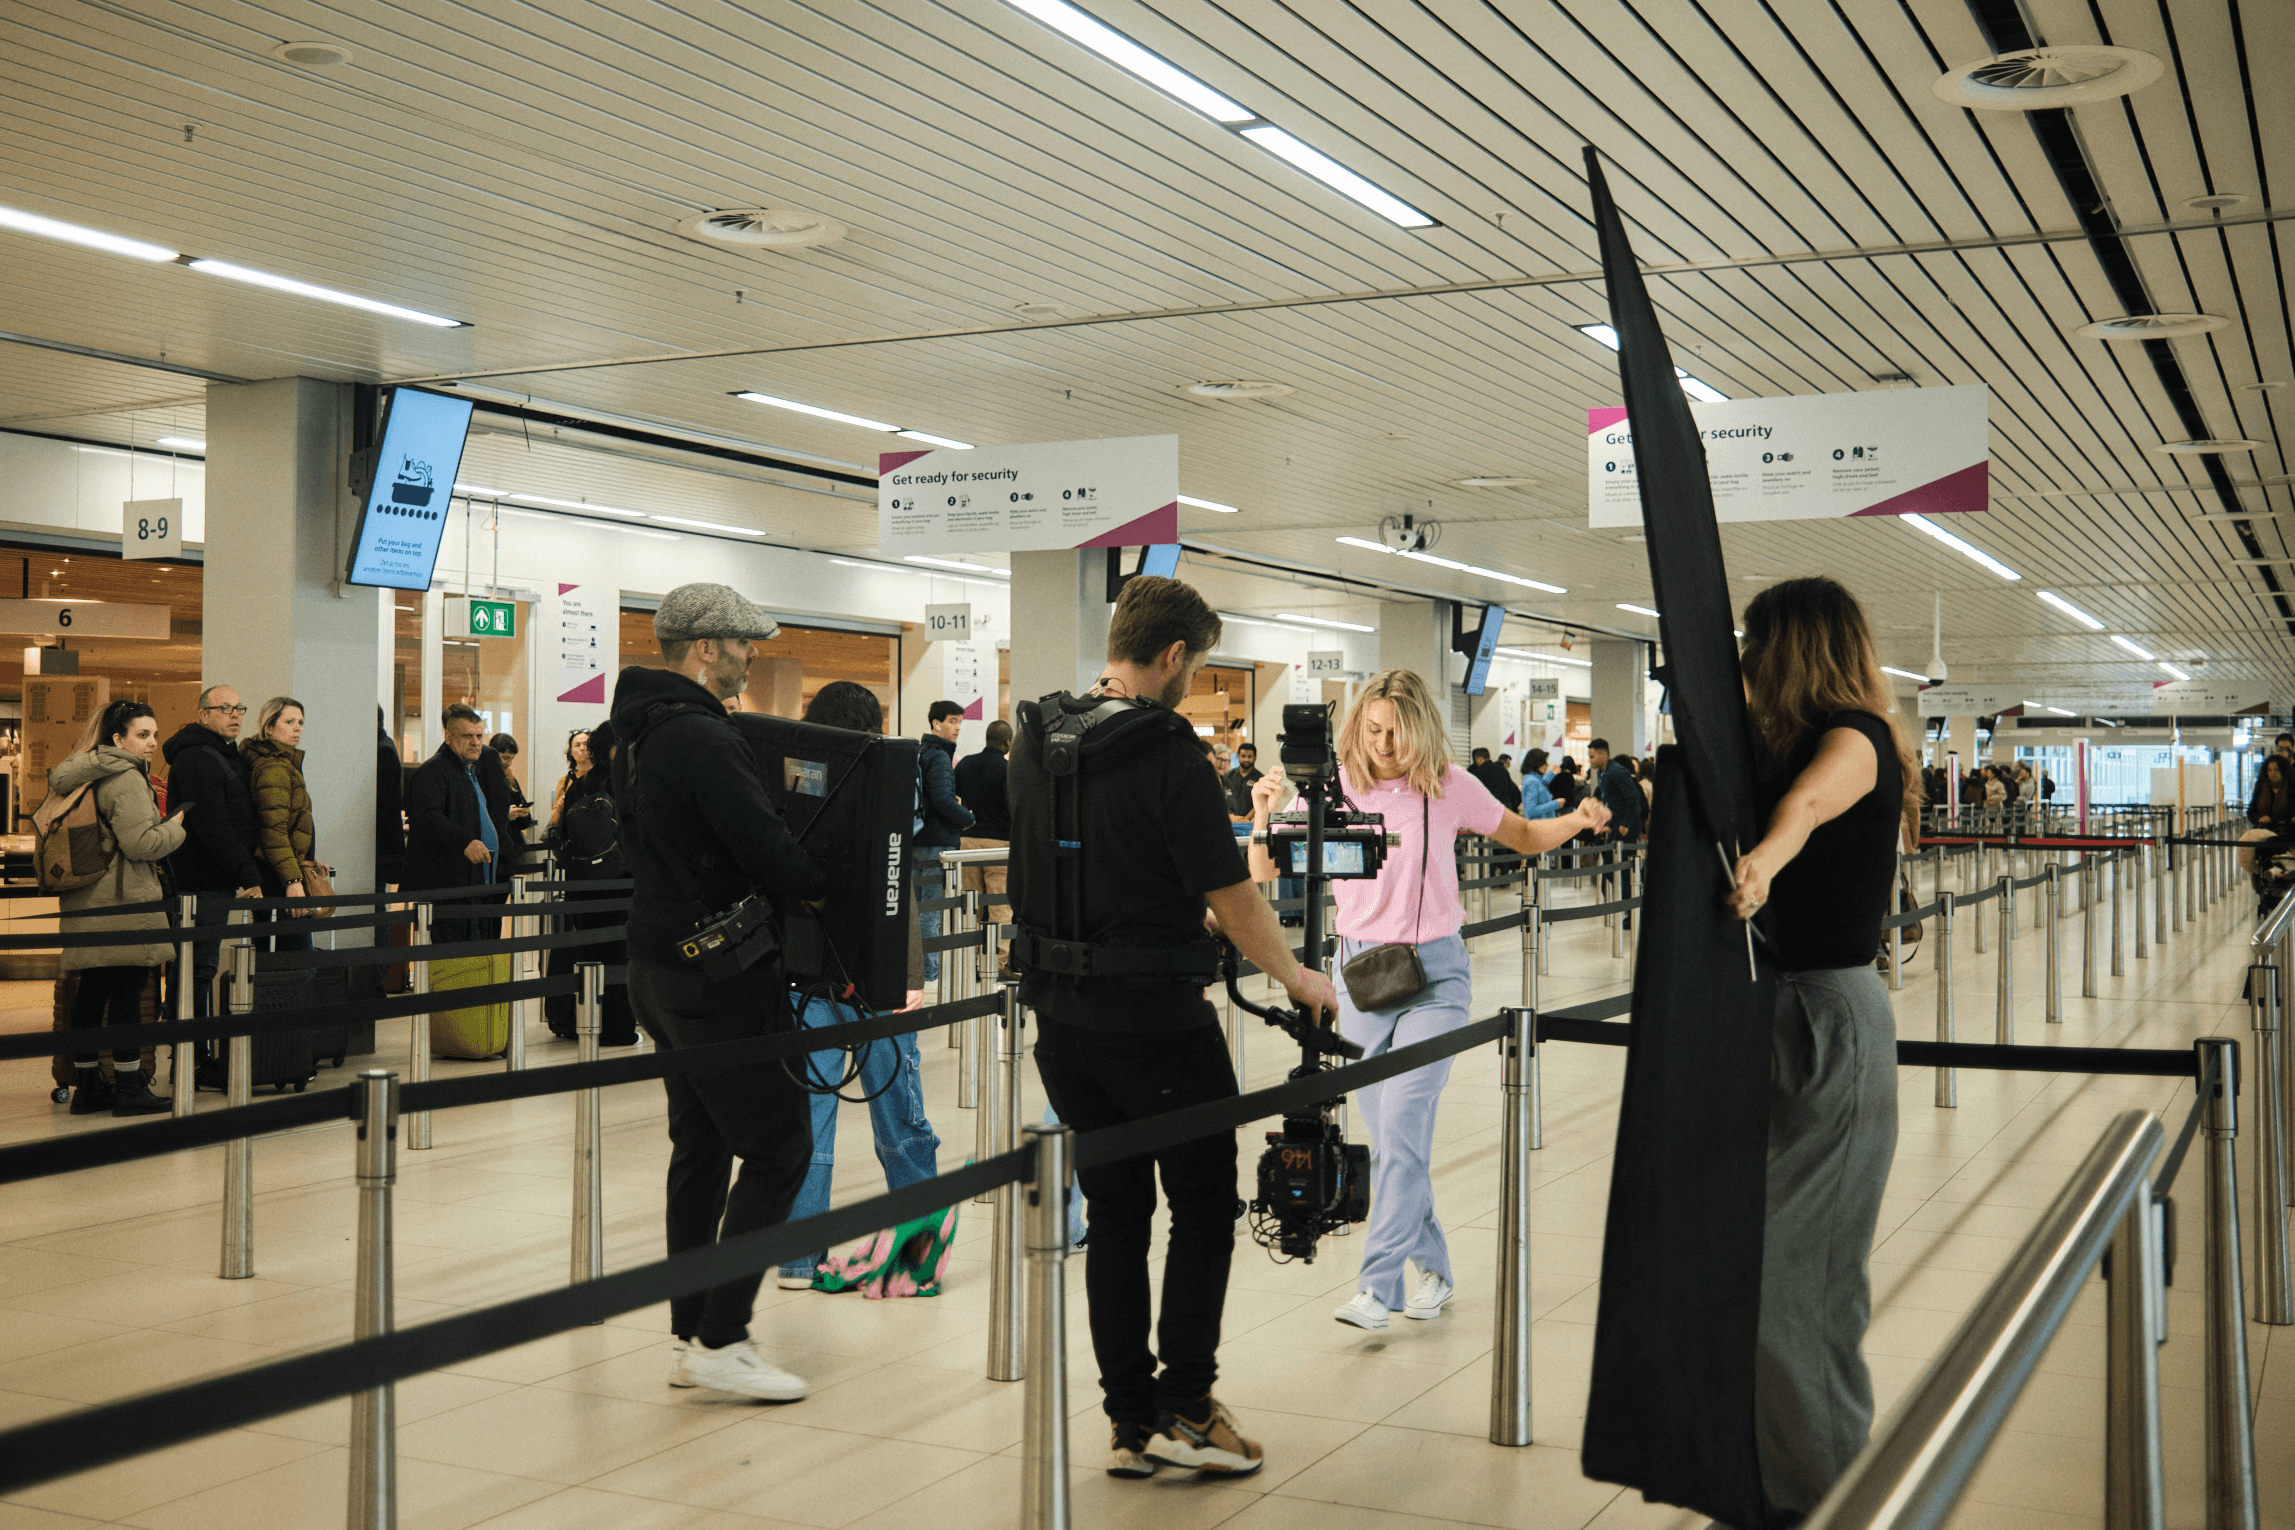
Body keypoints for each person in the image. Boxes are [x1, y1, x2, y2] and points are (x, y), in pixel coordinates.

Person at [1007, 574, 1338, 1481]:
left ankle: (1128, 1422)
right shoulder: (1169, 754)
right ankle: (1187, 1406)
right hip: (1156, 1024)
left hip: (1062, 1024)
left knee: (1113, 1213)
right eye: (1195, 662)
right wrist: (1296, 976)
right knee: (1201, 1206)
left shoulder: (1038, 742)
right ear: (1173, 655)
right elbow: (1232, 899)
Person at [1244, 670, 1606, 1333]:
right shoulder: (1334, 789)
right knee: (1390, 1146)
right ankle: (1434, 1270)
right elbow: (1266, 870)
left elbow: (1522, 837)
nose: (1384, 744)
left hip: (1435, 975)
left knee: (1404, 1129)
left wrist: (1576, 821)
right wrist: (1265, 813)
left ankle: (1375, 1289)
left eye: (1396, 732)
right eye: (1373, 730)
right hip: (1360, 974)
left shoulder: (1447, 785)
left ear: (1420, 729)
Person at [1724, 576, 1921, 1524]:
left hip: (1829, 1019)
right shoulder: (1767, 742)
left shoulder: (1855, 734)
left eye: (1757, 642)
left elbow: (1808, 805)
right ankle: (1774, 1489)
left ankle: (1832, 1503)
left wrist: (1762, 861)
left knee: (1792, 1284)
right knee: (1771, 1277)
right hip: (1771, 1011)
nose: (1747, 659)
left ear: (1793, 646)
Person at [611, 582, 825, 1402]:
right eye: (742, 644)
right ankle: (720, 1335)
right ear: (705, 647)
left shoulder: (635, 734)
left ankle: (689, 1329)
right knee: (779, 1149)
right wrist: (816, 881)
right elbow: (767, 848)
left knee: (700, 1147)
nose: (749, 656)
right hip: (717, 972)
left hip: (656, 966)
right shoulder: (701, 736)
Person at [774, 681, 943, 1292]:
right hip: (878, 978)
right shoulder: (893, 777)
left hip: (803, 970)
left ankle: (798, 1260)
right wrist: (909, 979)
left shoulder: (787, 779)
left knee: (807, 1119)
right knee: (902, 1122)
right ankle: (918, 1260)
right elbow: (899, 885)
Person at [55, 699, 188, 1116]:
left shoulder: (81, 772)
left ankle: (88, 1087)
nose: (151, 743)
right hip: (124, 900)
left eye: (154, 734)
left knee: (92, 994)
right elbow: (141, 844)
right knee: (129, 992)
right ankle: (130, 1087)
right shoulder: (126, 778)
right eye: (142, 735)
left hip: (86, 898)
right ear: (118, 739)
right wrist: (175, 828)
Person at [161, 684, 263, 1026]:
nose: (235, 715)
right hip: (198, 882)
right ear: (203, 714)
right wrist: (246, 872)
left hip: (215, 880)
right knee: (195, 967)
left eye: (239, 708)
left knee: (199, 965)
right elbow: (212, 824)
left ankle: (194, 1049)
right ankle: (188, 1051)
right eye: (224, 709)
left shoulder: (226, 754)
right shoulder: (197, 758)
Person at [545, 722, 633, 1045]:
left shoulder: (578, 787)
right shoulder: (620, 785)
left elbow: (563, 838)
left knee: (586, 952)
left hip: (580, 888)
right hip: (617, 888)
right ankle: (616, 1028)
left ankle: (582, 1022)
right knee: (615, 957)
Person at [403, 705, 516, 943]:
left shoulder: (468, 770)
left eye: (479, 736)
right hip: (452, 888)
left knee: (477, 956)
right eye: (467, 736)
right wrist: (465, 841)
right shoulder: (434, 771)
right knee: (455, 962)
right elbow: (428, 818)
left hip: (477, 884)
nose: (476, 742)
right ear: (449, 737)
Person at [241, 696, 319, 952]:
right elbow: (273, 831)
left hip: (278, 871)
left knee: (276, 952)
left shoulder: (282, 762)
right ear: (269, 726)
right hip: (277, 877)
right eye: (289, 721)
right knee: (292, 957)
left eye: (300, 722)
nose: (298, 728)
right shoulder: (274, 767)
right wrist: (292, 880)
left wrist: (305, 859)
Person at [916, 700, 975, 985]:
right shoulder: (939, 756)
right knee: (931, 910)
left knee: (919, 909)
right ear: (935, 723)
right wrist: (967, 818)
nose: (957, 727)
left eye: (960, 721)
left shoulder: (922, 752)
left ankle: (917, 970)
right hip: (937, 841)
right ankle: (929, 972)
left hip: (918, 838)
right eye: (952, 721)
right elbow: (941, 800)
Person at [952, 718, 1012, 928]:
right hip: (999, 845)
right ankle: (999, 960)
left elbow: (953, 800)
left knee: (970, 904)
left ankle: (971, 955)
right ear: (1007, 742)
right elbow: (1012, 806)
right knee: (1000, 905)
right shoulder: (1008, 769)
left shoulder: (965, 764)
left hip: (967, 841)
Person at [490, 733, 537, 870]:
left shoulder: (511, 779)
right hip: (495, 846)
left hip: (510, 845)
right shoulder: (482, 777)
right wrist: (505, 816)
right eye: (505, 758)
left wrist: (523, 813)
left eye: (511, 758)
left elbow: (524, 823)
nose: (508, 763)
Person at [1587, 738, 1646, 843]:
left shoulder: (1616, 771)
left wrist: (1626, 824)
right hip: (1614, 823)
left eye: (1592, 757)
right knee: (1609, 856)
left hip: (1625, 825)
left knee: (1623, 858)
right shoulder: (1601, 772)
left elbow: (1633, 797)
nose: (1590, 760)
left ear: (1603, 755)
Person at [376, 709, 404, 890]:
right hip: (383, 846)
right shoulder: (386, 745)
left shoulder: (383, 750)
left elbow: (382, 805)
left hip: (380, 846)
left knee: (376, 899)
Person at [1221, 741, 1263, 820]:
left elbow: (1260, 803)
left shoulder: (1260, 779)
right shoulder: (1228, 776)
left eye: (1249, 756)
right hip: (1229, 820)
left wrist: (1245, 820)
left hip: (1250, 822)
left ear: (1254, 757)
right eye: (1243, 756)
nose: (1246, 759)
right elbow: (1222, 799)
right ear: (1238, 756)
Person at [2252, 755, 2295, 829]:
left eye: (2276, 769)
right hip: (2263, 829)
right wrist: (2259, 818)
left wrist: (2273, 820)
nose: (2272, 772)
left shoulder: (2291, 787)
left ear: (2283, 771)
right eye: (2269, 770)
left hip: (2288, 831)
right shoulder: (2261, 787)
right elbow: (2251, 811)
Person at [1518, 749, 1561, 821]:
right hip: (1540, 827)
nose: (1547, 765)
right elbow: (1531, 810)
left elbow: (1542, 783)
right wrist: (1556, 804)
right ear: (1536, 763)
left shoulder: (1532, 778)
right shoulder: (1532, 781)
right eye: (1544, 762)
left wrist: (1551, 773)